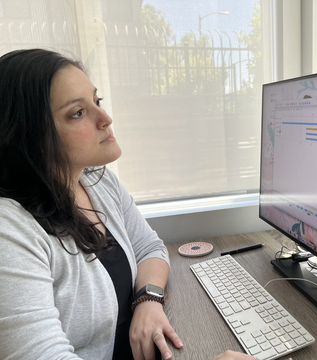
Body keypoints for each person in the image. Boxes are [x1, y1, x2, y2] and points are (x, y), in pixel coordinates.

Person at [0, 49, 255, 360]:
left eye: (97, 102)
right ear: (29, 134)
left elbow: (148, 246)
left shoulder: (97, 181)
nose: (106, 119)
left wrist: (148, 300)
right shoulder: (9, 230)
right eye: (77, 113)